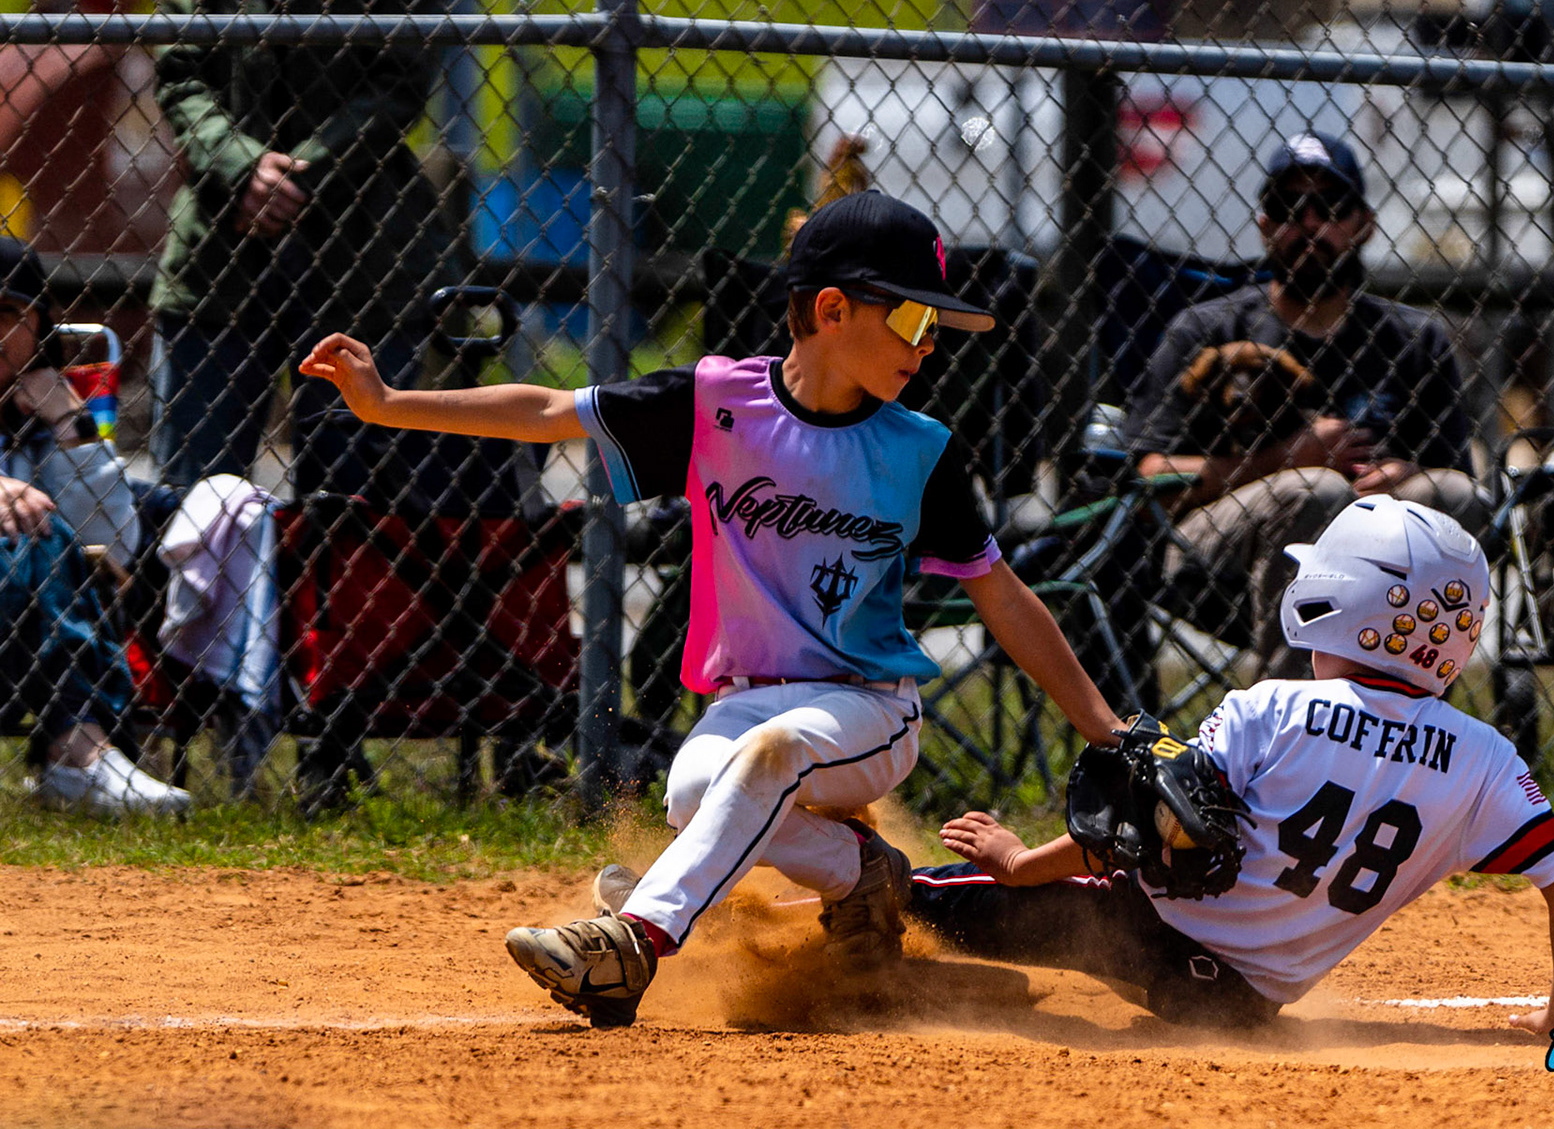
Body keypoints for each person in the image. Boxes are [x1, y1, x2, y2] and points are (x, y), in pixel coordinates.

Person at [298, 190, 1126, 1027]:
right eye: (912, 318)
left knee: (770, 756)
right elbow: (550, 412)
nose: (929, 343)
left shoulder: (920, 449)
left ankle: (635, 939)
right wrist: (388, 404)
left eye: (935, 325)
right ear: (832, 310)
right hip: (745, 699)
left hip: (869, 707)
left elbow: (1003, 597)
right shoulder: (717, 404)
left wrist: (1106, 731)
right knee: (697, 795)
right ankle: (861, 875)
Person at [903, 497, 1554, 1033]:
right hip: (1241, 1004)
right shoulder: (1485, 759)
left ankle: (849, 943)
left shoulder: (1275, 707)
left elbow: (1143, 824)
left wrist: (1018, 861)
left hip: (1142, 935)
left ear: (1345, 602)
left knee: (913, 894)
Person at [1125, 130, 1486, 680]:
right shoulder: (1207, 331)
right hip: (1215, 551)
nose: (1309, 223)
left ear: (1364, 224)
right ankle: (1292, 723)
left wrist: (1400, 478)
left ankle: (1412, 720)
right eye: (1287, 206)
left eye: (1331, 206)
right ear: (1264, 224)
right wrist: (1284, 461)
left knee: (1451, 496)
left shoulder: (1414, 341)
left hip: (1380, 546)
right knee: (1315, 491)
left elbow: (1455, 473)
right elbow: (1150, 473)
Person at [149, 0, 449, 494]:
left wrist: (296, 176)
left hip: (362, 253)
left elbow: (397, 87)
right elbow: (179, 73)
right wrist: (241, 166)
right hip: (220, 254)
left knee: (352, 506)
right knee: (194, 501)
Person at [0, 240, 189, 817]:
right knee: (39, 532)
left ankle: (80, 753)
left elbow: (117, 544)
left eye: (8, 314)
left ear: (39, 324)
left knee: (48, 534)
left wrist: (69, 424)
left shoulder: (46, 415)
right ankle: (81, 756)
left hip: (28, 629)